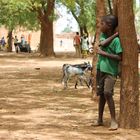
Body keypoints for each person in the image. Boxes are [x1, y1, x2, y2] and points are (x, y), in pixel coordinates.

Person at [93, 15, 123, 130]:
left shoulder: (116, 41)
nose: (100, 25)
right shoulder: (104, 36)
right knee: (101, 95)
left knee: (107, 93)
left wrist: (104, 53)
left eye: (102, 24)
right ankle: (99, 119)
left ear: (109, 26)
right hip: (101, 69)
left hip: (111, 72)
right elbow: (103, 44)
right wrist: (115, 34)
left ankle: (114, 120)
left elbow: (119, 57)